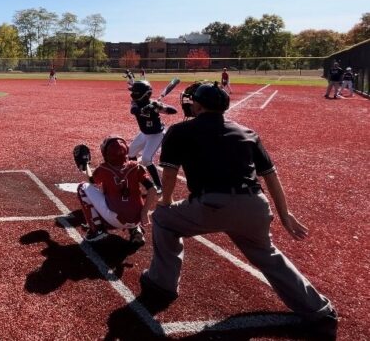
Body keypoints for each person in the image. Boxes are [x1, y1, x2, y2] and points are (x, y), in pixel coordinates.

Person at [141, 82, 337, 336]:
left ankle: (162, 282)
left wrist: (166, 201)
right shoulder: (247, 132)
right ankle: (318, 310)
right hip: (255, 205)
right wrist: (284, 214)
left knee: (163, 219)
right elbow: (271, 177)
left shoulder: (180, 130)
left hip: (211, 204)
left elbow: (169, 175)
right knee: (269, 256)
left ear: (198, 104)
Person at [76, 136, 158, 245]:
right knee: (132, 201)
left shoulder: (104, 169)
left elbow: (92, 181)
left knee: (82, 187)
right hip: (137, 218)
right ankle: (135, 229)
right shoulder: (135, 166)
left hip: (115, 219)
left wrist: (86, 165)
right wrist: (144, 211)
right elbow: (152, 189)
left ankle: (97, 229)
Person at [128, 81, 177, 190]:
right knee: (131, 153)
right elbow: (134, 110)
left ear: (143, 94)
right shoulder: (135, 103)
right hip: (144, 134)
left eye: (135, 92)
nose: (132, 94)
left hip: (156, 135)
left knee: (146, 159)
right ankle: (137, 175)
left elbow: (174, 111)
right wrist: (143, 109)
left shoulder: (154, 105)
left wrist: (160, 106)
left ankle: (159, 185)